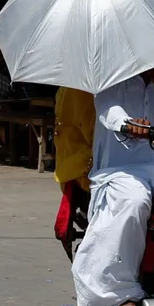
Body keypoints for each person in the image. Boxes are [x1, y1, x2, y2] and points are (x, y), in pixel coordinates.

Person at [72, 63, 154, 306]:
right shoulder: (109, 72)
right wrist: (128, 124)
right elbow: (109, 111)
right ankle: (120, 297)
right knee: (135, 200)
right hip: (119, 170)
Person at [53, 87, 96, 261]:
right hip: (84, 168)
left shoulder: (67, 86)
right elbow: (92, 132)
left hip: (71, 165)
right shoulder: (82, 92)